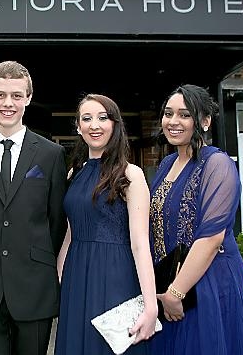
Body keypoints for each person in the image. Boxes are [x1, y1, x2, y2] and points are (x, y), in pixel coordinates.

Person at [0, 60, 67, 355]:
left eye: (17, 96)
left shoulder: (51, 154)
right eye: (1, 94)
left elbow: (56, 221)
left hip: (34, 286)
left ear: (28, 98)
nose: (9, 103)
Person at [149, 84, 243, 354]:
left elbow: (211, 238)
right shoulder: (166, 164)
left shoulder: (217, 164)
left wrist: (176, 293)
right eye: (168, 113)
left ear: (205, 121)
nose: (173, 122)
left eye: (184, 115)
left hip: (208, 285)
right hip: (171, 285)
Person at [55, 94, 158, 355]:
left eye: (103, 118)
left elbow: (140, 243)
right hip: (76, 276)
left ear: (115, 124)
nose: (94, 125)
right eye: (86, 119)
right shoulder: (74, 174)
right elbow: (69, 234)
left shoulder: (130, 174)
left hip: (116, 277)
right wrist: (60, 281)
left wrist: (150, 305)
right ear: (78, 127)